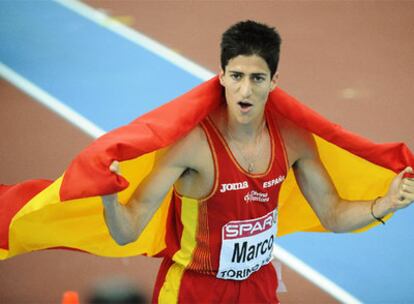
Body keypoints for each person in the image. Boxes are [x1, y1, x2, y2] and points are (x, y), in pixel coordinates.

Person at [101, 20, 414, 303]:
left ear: (274, 81)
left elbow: (333, 215)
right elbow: (126, 232)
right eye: (236, 76)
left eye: (257, 78)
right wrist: (110, 200)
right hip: (194, 291)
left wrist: (386, 203)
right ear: (221, 76)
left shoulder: (293, 139)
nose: (245, 90)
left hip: (258, 288)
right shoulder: (192, 145)